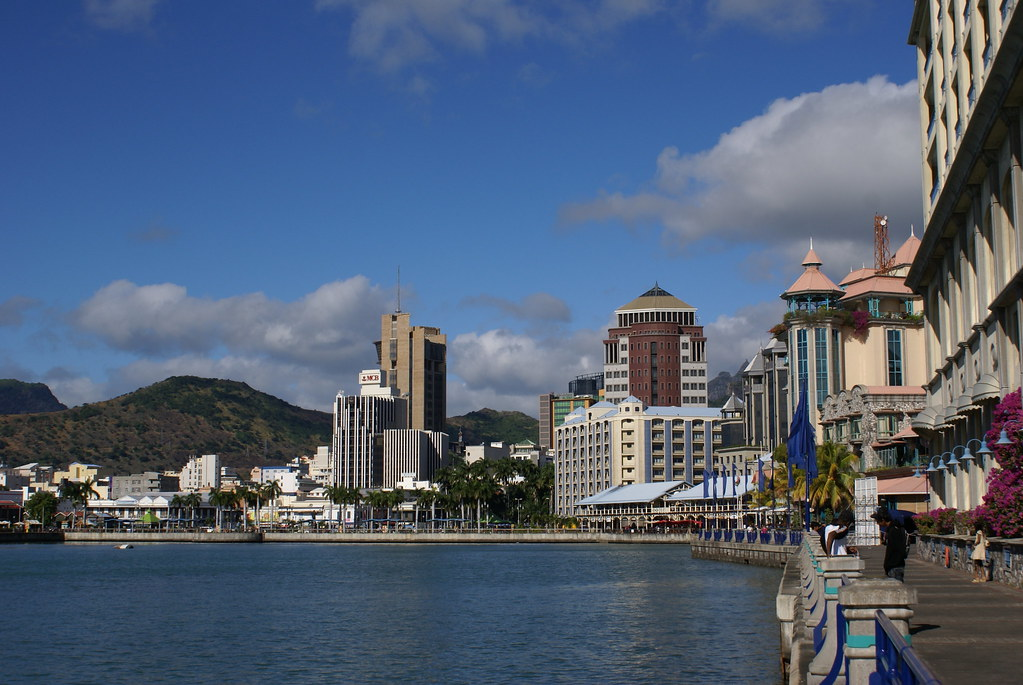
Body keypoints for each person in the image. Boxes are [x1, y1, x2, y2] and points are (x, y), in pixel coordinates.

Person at [876, 508, 908, 582]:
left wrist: (889, 565)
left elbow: (897, 549)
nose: (877, 523)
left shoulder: (894, 530)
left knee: (896, 589)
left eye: (878, 521)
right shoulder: (892, 529)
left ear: (883, 520)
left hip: (895, 566)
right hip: (894, 565)